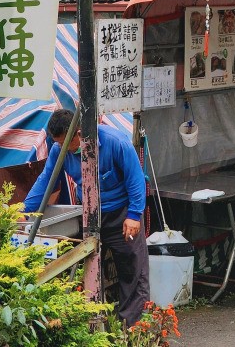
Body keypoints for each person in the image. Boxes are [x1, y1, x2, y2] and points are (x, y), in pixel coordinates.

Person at [24, 109, 150, 327]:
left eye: (65, 143)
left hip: (122, 213)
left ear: (79, 133)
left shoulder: (115, 142)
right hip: (88, 214)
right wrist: (25, 211)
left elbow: (136, 179)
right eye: (57, 143)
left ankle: (131, 327)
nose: (61, 148)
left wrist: (134, 215)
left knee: (133, 268)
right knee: (86, 266)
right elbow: (47, 181)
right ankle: (90, 321)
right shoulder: (58, 150)